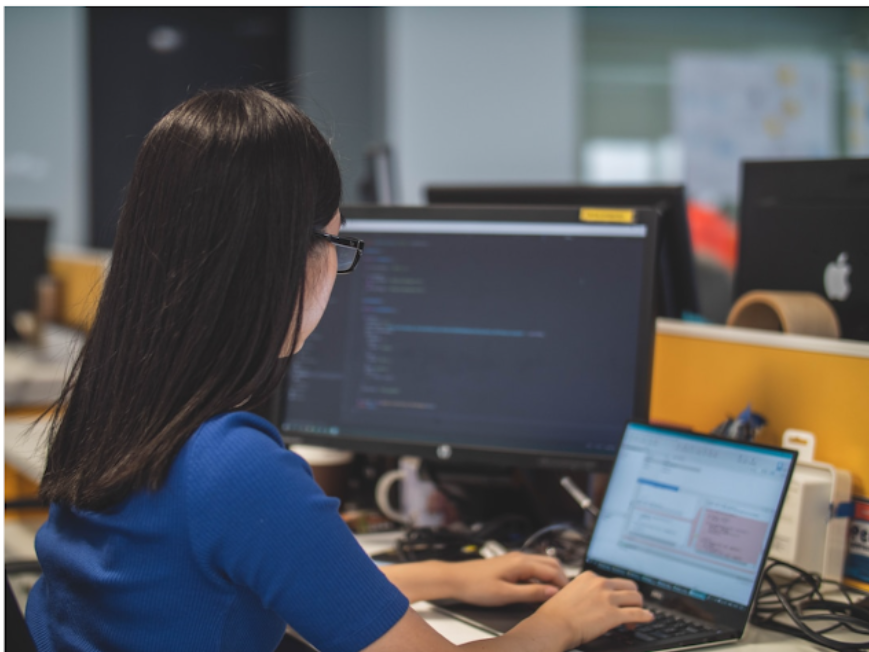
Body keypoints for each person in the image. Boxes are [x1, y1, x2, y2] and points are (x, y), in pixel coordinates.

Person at [26, 87, 653, 652]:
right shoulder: (234, 467)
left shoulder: (114, 407)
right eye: (337, 242)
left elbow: (264, 567)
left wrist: (447, 577)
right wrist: (563, 622)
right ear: (282, 261)